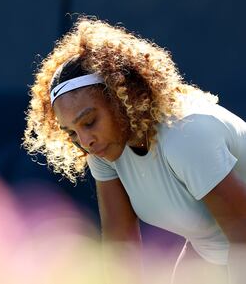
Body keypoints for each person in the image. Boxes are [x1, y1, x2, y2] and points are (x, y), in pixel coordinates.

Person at [23, 16, 246, 284]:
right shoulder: (103, 148)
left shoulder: (186, 134)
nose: (84, 141)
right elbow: (120, 239)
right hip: (214, 254)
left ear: (121, 99)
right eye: (71, 132)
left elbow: (242, 233)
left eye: (90, 121)